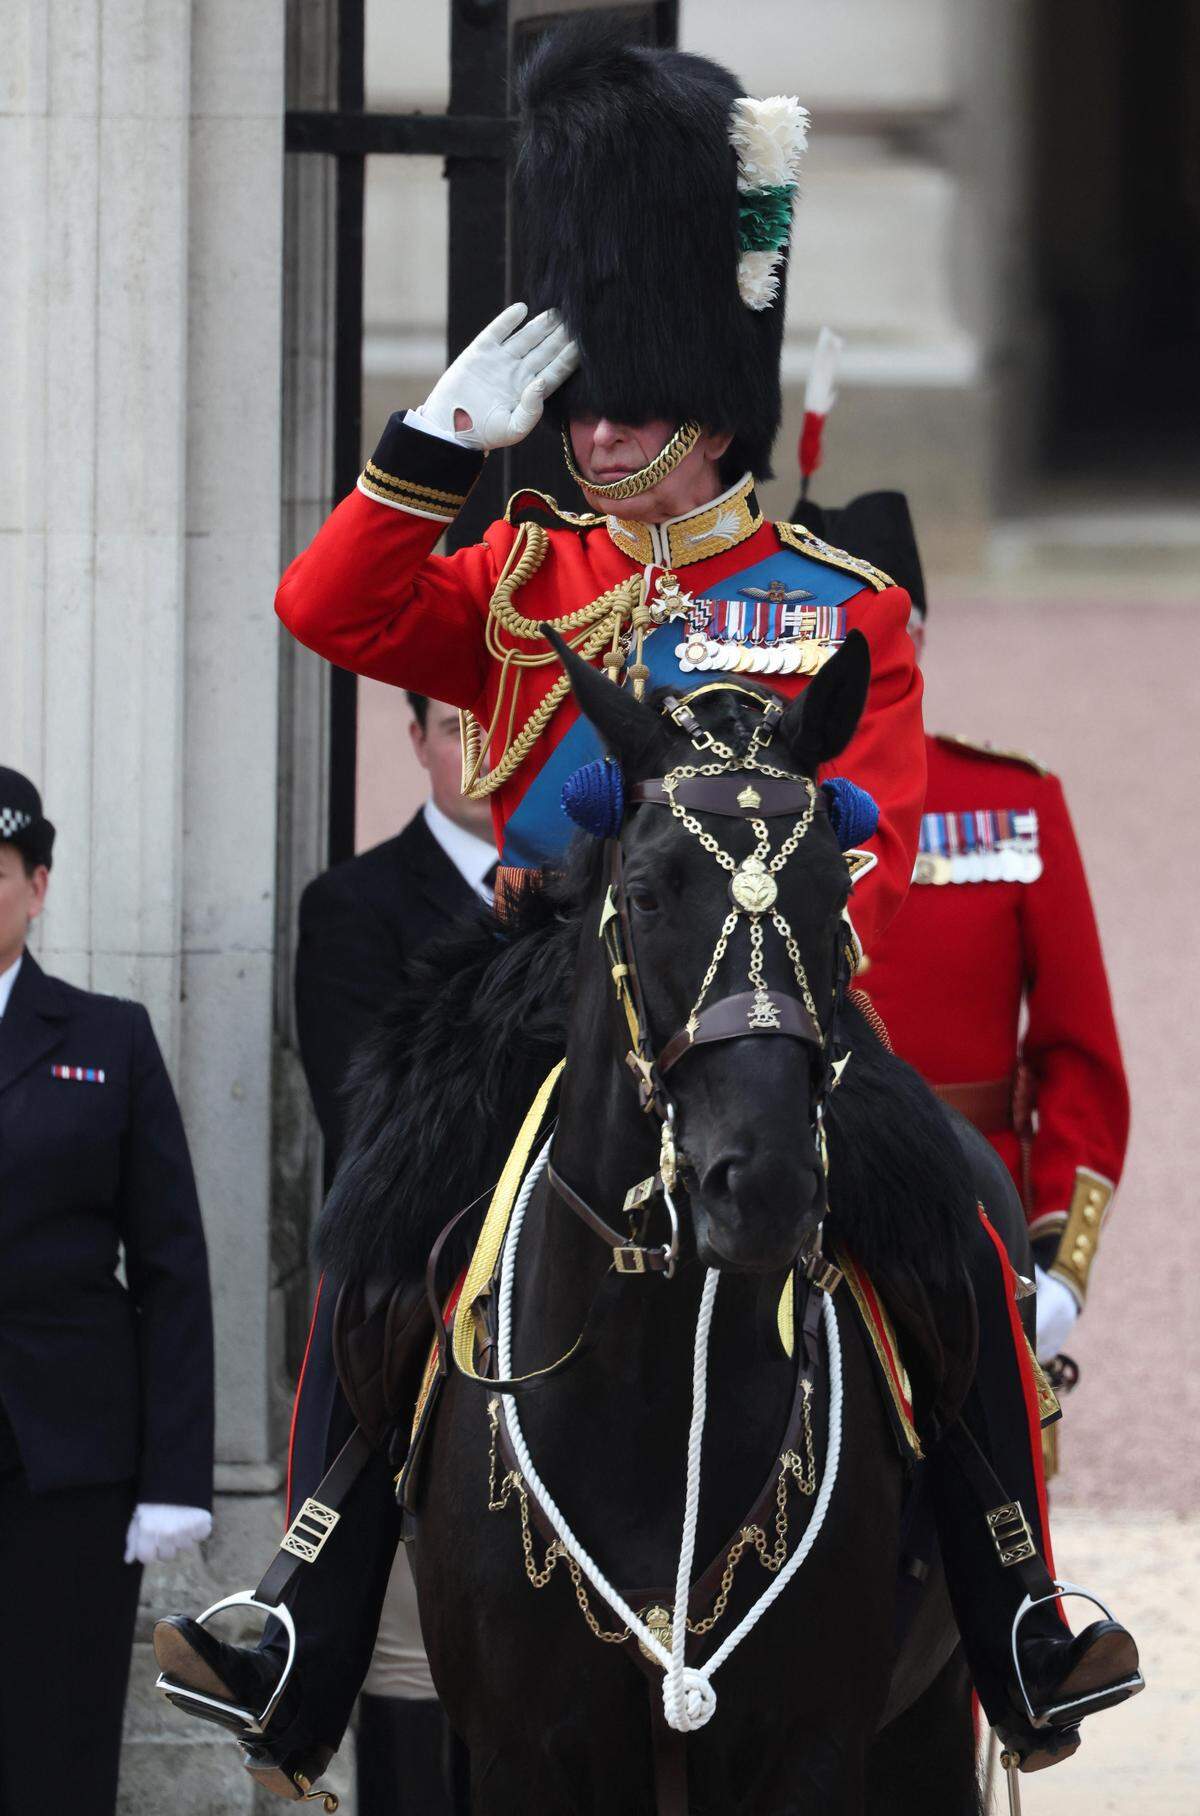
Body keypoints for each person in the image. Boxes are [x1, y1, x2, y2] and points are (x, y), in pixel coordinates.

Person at [156, 19, 1138, 1798]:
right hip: (546, 1002)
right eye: (580, 404)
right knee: (381, 1214)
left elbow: (882, 838)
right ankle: (301, 1601)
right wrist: (439, 438)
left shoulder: (830, 598)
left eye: (629, 405)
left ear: (711, 403)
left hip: (764, 999)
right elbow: (325, 605)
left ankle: (1017, 1603)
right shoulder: (523, 567)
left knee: (962, 1234)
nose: (597, 433)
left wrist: (686, 824)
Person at [786, 487, 1131, 1366]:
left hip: (969, 1216)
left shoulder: (1013, 802)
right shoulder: (742, 812)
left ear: (917, 644)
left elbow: (1078, 1057)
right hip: (776, 1204)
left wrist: (1059, 1263)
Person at [0, 767, 214, 1816]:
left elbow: (172, 1265)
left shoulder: (105, 1038)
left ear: (38, 885)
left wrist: (175, 1473)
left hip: (67, 1460)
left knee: (60, 1739)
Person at [294, 693, 491, 1814]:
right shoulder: (356, 905)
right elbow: (365, 1128)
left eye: (508, 717)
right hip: (425, 1297)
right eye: (459, 722)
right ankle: (290, 1630)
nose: (483, 747)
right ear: (414, 739)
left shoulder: (617, 892)